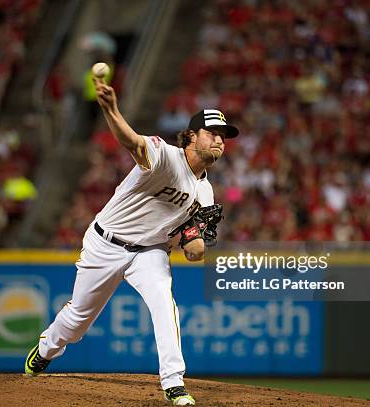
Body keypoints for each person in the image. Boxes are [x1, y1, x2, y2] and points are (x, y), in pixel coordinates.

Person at [24, 77, 239, 406]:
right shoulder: (166, 156)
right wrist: (111, 110)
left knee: (165, 306)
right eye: (213, 133)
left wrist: (195, 245)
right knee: (78, 322)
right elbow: (134, 144)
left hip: (150, 252)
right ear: (192, 136)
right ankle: (46, 348)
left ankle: (173, 382)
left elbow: (194, 248)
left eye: (224, 137)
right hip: (106, 243)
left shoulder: (206, 191)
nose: (220, 141)